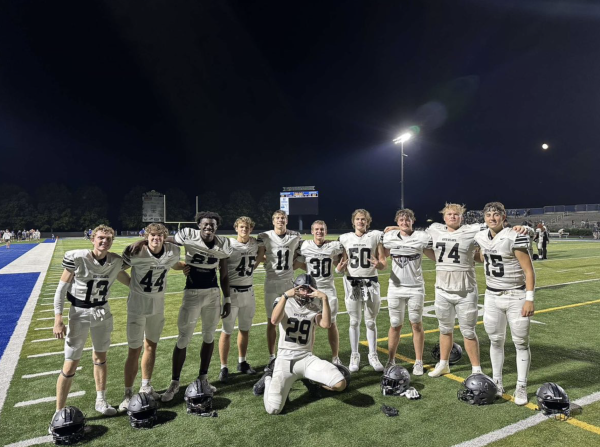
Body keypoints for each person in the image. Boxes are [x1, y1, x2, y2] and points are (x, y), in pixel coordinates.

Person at [51, 225, 130, 423]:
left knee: (101, 356)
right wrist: (58, 319)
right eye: (101, 238)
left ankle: (101, 400)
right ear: (93, 239)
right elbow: (61, 290)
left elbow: (129, 281)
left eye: (108, 239)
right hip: (79, 313)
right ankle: (58, 412)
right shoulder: (78, 257)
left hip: (102, 312)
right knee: (70, 364)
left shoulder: (115, 261)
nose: (104, 242)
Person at [159, 211, 232, 400]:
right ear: (199, 225)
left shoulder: (223, 244)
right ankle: (175, 382)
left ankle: (203, 377)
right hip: (191, 293)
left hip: (213, 294)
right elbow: (163, 240)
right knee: (183, 338)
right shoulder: (188, 235)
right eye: (205, 224)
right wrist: (142, 241)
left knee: (209, 336)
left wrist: (228, 299)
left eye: (212, 225)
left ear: (217, 227)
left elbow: (224, 275)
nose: (209, 227)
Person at [255, 274, 347, 414]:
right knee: (273, 409)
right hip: (285, 360)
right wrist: (286, 296)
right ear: (295, 288)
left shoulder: (314, 306)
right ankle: (268, 376)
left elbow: (326, 324)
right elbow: (274, 320)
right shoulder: (282, 301)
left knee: (340, 383)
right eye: (302, 289)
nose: (305, 293)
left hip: (306, 358)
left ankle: (312, 380)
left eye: (309, 290)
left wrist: (324, 298)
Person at [118, 223, 185, 410]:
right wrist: (131, 284)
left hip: (158, 304)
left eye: (160, 235)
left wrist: (185, 267)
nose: (156, 238)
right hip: (137, 305)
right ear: (146, 237)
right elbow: (116, 268)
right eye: (152, 235)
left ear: (165, 237)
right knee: (134, 349)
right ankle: (128, 393)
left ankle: (146, 385)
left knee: (151, 345)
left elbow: (173, 264)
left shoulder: (172, 251)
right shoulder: (135, 251)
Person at [474, 202, 536, 406]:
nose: (492, 218)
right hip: (491, 295)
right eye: (488, 215)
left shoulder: (514, 235)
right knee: (495, 340)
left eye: (496, 215)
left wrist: (529, 299)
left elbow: (529, 271)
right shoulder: (481, 235)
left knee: (520, 342)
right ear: (484, 217)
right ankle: (497, 382)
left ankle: (521, 385)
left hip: (515, 295)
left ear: (503, 216)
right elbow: (482, 255)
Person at [382, 209, 434, 375]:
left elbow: (435, 253)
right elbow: (380, 247)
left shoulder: (421, 237)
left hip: (415, 287)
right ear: (397, 221)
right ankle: (391, 359)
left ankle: (418, 361)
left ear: (413, 220)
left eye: (408, 219)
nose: (404, 222)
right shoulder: (389, 237)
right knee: (395, 323)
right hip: (395, 287)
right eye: (401, 220)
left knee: (416, 323)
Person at [338, 209, 387, 372]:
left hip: (371, 282)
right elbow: (342, 262)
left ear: (368, 222)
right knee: (354, 320)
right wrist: (339, 268)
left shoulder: (375, 237)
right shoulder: (345, 238)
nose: (360, 222)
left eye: (363, 219)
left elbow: (383, 263)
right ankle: (355, 354)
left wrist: (378, 264)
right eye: (358, 219)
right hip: (352, 282)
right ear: (353, 222)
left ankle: (373, 355)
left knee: (371, 321)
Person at [255, 210, 303, 363]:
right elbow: (260, 254)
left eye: (283, 218)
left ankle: (289, 353)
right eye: (277, 218)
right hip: (271, 283)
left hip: (288, 283)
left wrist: (292, 266)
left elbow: (299, 255)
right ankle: (272, 357)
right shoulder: (265, 236)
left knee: (290, 319)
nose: (280, 220)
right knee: (272, 321)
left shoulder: (295, 236)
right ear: (273, 220)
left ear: (286, 220)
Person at [217, 216, 260, 383]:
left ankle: (242, 362)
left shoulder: (255, 243)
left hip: (249, 292)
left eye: (247, 227)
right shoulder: (229, 245)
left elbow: (263, 251)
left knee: (244, 329)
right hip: (232, 293)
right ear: (236, 228)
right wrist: (226, 297)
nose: (244, 229)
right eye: (242, 227)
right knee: (227, 331)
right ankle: (224, 367)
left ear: (251, 229)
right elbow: (223, 273)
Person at [297, 220, 345, 365]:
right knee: (310, 323)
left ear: (326, 231)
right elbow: (295, 256)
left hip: (328, 290)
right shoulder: (305, 246)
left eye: (322, 229)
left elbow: (345, 250)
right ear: (312, 231)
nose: (319, 232)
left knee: (331, 323)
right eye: (317, 229)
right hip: (311, 289)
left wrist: (339, 267)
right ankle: (308, 355)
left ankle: (335, 357)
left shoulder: (333, 246)